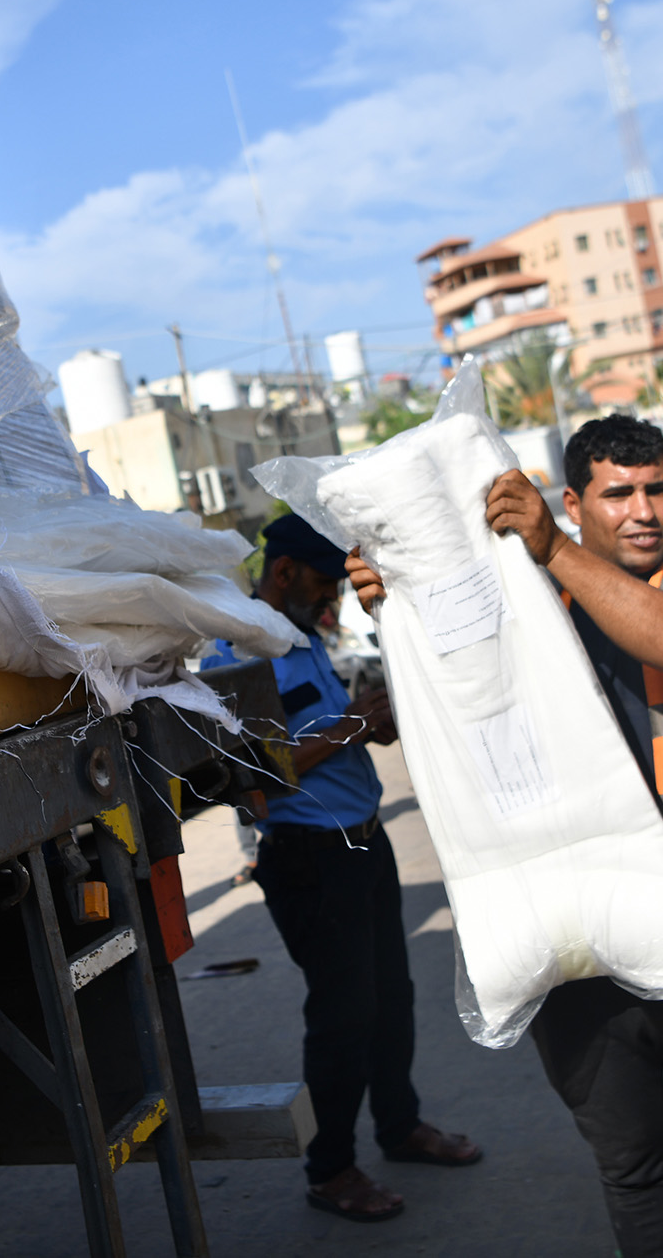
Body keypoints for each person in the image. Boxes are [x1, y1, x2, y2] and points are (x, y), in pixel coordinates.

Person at [348, 418, 663, 1258]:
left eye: (655, 487)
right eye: (618, 493)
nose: (643, 510)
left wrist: (552, 548)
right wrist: (401, 600)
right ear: (576, 500)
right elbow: (454, 710)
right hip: (583, 946)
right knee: (630, 1170)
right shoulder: (529, 609)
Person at [202, 514, 482, 1223]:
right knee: (342, 1016)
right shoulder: (236, 654)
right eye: (323, 584)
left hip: (363, 845)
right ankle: (330, 1169)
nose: (330, 601)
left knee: (391, 998)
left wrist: (371, 721)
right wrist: (355, 723)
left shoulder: (303, 640)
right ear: (286, 571)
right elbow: (255, 780)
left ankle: (400, 1125)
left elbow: (323, 736)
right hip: (311, 861)